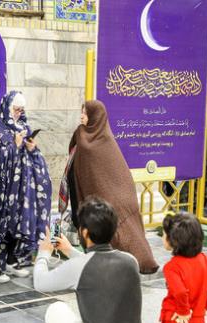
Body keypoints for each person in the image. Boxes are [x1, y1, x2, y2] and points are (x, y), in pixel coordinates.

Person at [64, 100, 158, 274]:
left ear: (95, 116)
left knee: (122, 231)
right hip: (89, 191)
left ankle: (139, 261)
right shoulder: (88, 134)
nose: (81, 116)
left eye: (85, 112)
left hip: (111, 194)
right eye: (82, 112)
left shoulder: (99, 137)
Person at [0, 91, 52, 283]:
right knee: (0, 223)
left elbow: (30, 155)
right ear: (7, 107)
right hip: (2, 187)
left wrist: (31, 148)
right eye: (15, 109)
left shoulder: (23, 126)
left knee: (18, 221)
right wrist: (14, 145)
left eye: (21, 110)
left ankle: (11, 261)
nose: (18, 113)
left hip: (21, 185)